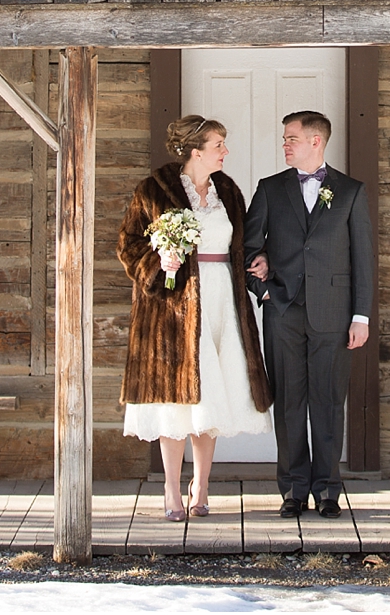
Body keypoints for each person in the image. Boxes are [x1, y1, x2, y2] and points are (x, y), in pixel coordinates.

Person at [118, 115, 272, 521]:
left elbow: (243, 241)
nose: (225, 151)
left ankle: (201, 486)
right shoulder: (152, 190)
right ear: (195, 151)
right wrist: (158, 261)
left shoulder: (229, 191)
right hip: (172, 308)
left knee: (211, 400)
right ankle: (171, 490)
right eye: (219, 144)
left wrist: (258, 261)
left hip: (223, 300)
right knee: (176, 402)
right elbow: (128, 244)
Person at [244, 110, 373, 519]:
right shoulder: (269, 189)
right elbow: (247, 250)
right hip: (282, 312)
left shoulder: (350, 191)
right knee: (289, 403)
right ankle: (293, 490)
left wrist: (361, 316)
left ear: (316, 141)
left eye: (292, 138)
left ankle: (328, 490)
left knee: (329, 402)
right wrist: (263, 290)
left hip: (334, 316)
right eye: (285, 139)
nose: (285, 144)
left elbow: (363, 259)